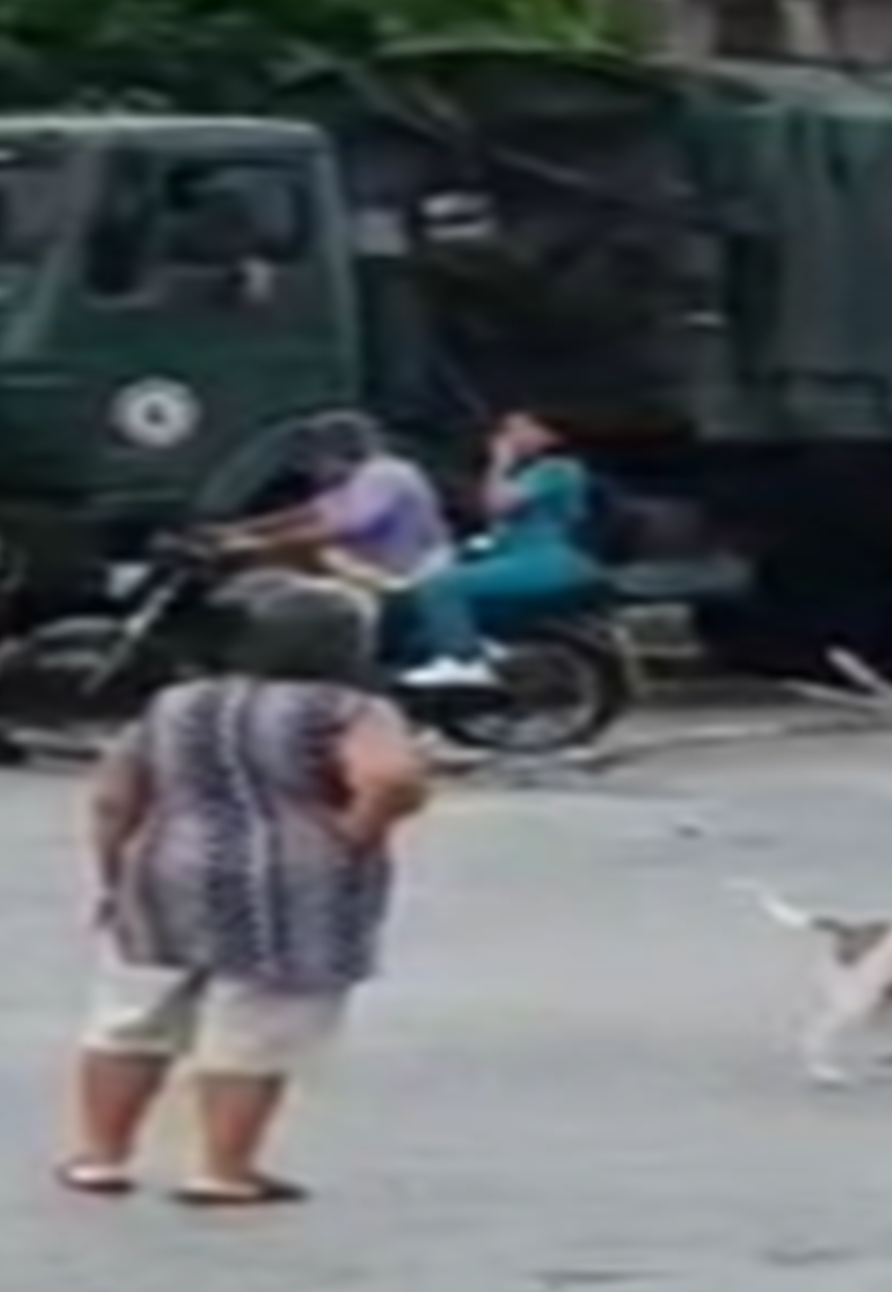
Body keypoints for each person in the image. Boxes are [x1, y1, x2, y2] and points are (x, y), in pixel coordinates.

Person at [63, 578, 430, 1207]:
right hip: (293, 881)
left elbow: (112, 798)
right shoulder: (347, 708)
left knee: (132, 1017)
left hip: (168, 867)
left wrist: (112, 875)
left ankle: (102, 1157)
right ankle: (223, 1170)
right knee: (255, 1023)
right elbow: (390, 778)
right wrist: (354, 833)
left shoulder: (176, 704)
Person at [396, 410, 606, 690]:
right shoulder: (530, 473)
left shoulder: (558, 469)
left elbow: (499, 505)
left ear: (549, 435)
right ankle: (480, 649)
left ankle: (464, 661)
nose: (506, 437)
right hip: (519, 557)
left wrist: (499, 462)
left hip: (546, 560)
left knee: (441, 587)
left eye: (518, 429)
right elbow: (490, 511)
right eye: (505, 430)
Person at [215, 411, 452, 600]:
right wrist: (238, 529)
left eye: (315, 458)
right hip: (378, 568)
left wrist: (260, 544)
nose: (311, 469)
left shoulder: (385, 473)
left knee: (306, 557)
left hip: (408, 574)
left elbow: (343, 527)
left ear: (339, 453)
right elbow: (308, 512)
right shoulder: (348, 481)